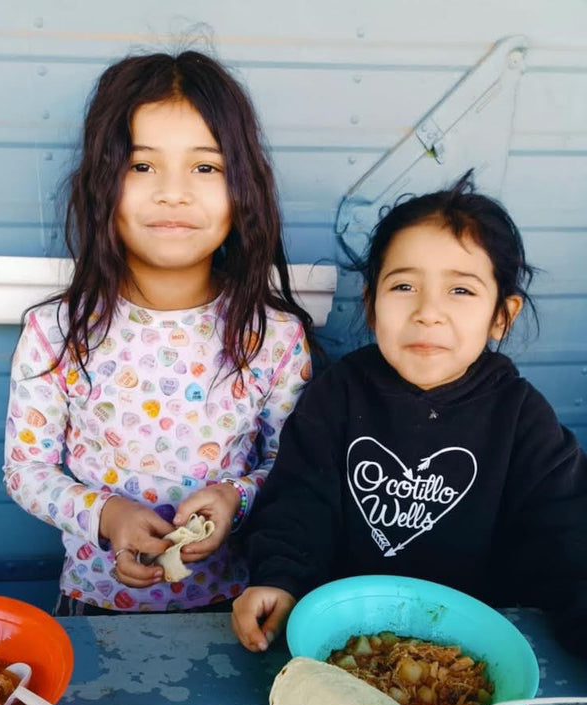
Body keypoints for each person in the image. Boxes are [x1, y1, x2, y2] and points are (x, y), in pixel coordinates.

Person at [3, 50, 313, 614]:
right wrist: (106, 515)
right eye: (142, 166)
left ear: (242, 188)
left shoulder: (273, 337)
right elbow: (26, 470)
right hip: (96, 606)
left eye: (206, 167)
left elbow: (292, 467)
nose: (174, 192)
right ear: (104, 185)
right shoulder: (56, 332)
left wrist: (233, 498)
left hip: (233, 607)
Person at [232, 174, 587, 653]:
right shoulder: (338, 395)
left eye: (460, 291)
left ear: (501, 316)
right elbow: (298, 504)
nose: (428, 312)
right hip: (345, 643)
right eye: (403, 286)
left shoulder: (521, 417)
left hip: (470, 651)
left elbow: (565, 533)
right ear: (372, 307)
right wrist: (279, 579)